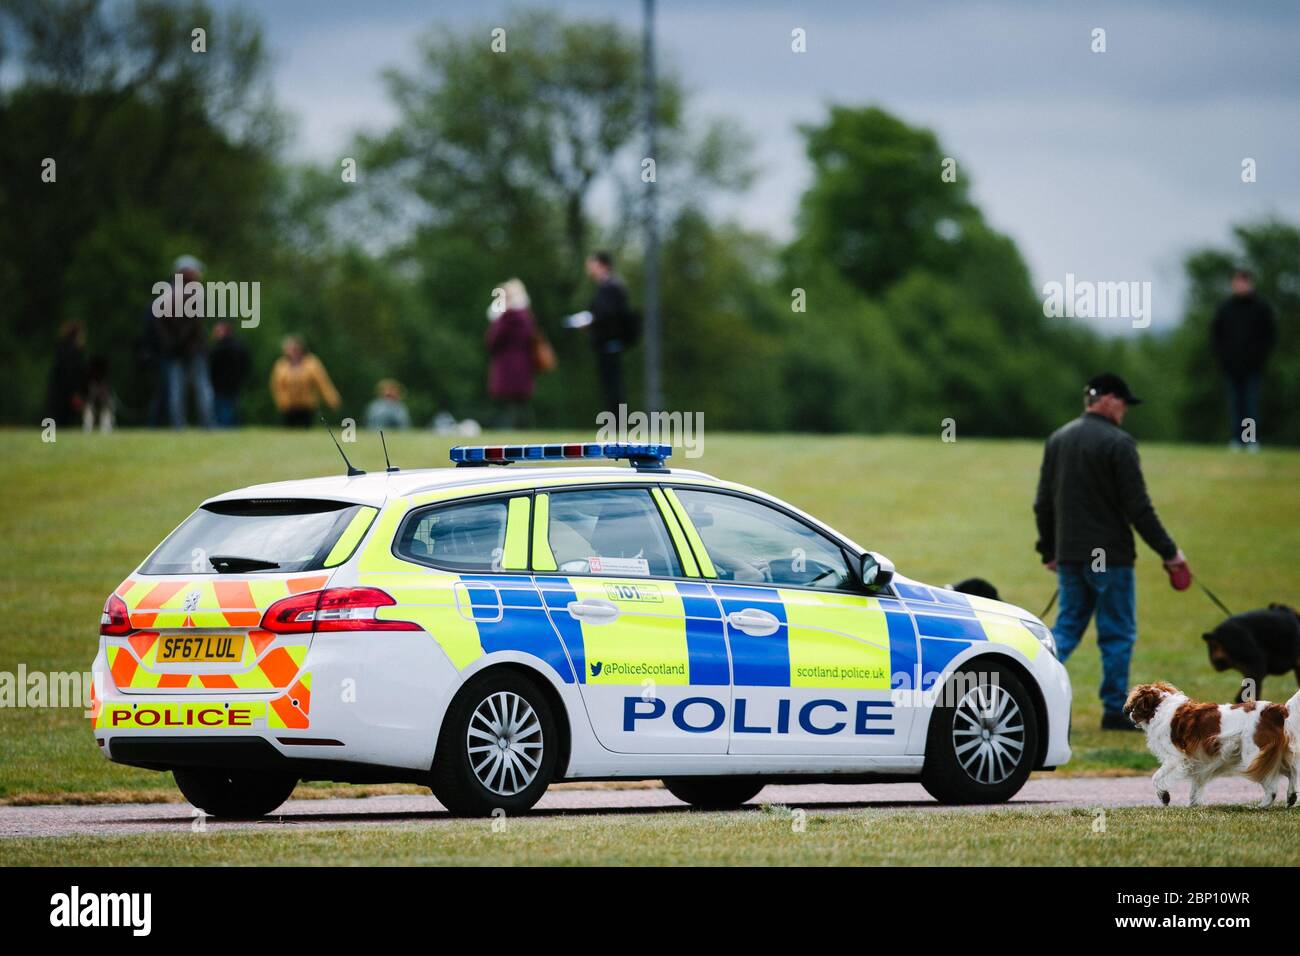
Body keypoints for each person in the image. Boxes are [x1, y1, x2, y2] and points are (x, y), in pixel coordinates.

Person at [1033, 373, 1190, 731]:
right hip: (1112, 558)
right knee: (1117, 633)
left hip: (1071, 555)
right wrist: (1170, 553)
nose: (1124, 411)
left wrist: (1049, 549)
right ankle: (1113, 710)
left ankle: (1033, 688)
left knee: (1067, 628)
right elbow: (1139, 507)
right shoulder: (1119, 443)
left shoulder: (1058, 439)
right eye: (1123, 403)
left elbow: (1043, 502)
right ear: (1107, 400)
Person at [1210, 268, 1276, 452]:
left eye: (1243, 282)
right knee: (1235, 406)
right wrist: (1223, 360)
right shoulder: (1226, 308)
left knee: (1250, 405)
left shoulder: (1260, 308)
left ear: (1249, 283)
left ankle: (1251, 439)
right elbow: (1216, 337)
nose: (1239, 285)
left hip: (1253, 367)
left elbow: (1269, 337)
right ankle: (1237, 439)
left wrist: (1259, 360)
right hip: (1231, 367)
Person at [154, 254, 215, 428]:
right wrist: (180, 342)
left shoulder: (166, 292)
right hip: (190, 349)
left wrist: (170, 344)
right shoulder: (192, 292)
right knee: (200, 389)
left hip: (175, 350)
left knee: (178, 391)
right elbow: (194, 323)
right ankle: (207, 424)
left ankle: (179, 426)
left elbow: (159, 324)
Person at [485, 278, 538, 428]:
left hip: (506, 363)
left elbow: (493, 340)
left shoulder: (505, 318)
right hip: (524, 362)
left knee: (510, 402)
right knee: (522, 402)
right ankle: (526, 428)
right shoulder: (526, 316)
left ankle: (512, 428)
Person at [583, 251, 631, 414]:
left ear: (602, 265)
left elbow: (608, 315)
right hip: (606, 342)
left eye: (592, 264)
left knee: (613, 384)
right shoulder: (608, 286)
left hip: (610, 342)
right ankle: (615, 422)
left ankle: (617, 423)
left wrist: (591, 322)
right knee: (609, 384)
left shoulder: (611, 287)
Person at [269, 335, 341, 427]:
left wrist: (332, 399)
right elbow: (276, 387)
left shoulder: (311, 363)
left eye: (294, 349)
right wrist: (281, 402)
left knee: (304, 430)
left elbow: (323, 383)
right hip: (288, 407)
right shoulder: (281, 365)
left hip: (307, 406)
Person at [44, 320, 87, 427]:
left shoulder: (60, 347)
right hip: (66, 394)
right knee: (64, 423)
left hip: (56, 391)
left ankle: (49, 438)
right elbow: (72, 374)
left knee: (54, 422)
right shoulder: (74, 351)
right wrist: (76, 392)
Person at [208, 321, 251, 428]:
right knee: (232, 410)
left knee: (223, 413)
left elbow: (212, 368)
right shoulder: (240, 347)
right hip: (234, 385)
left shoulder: (218, 349)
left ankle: (225, 430)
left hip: (220, 386)